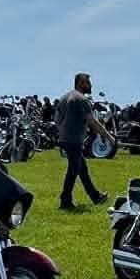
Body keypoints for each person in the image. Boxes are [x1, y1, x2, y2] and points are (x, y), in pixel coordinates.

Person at [57, 72, 110, 210]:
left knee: (82, 169)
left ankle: (96, 196)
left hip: (65, 138)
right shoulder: (82, 99)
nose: (91, 85)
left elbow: (57, 119)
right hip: (73, 139)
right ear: (81, 83)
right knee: (74, 170)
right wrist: (107, 135)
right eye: (88, 82)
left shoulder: (64, 97)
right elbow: (92, 121)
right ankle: (65, 201)